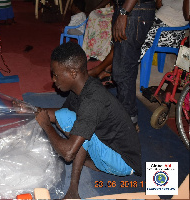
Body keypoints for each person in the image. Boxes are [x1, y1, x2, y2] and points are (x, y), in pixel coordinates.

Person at [35, 42, 142, 199]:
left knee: (74, 129)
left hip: (123, 162)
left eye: (56, 74)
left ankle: (73, 192)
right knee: (69, 117)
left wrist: (45, 125)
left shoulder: (93, 100)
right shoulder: (80, 86)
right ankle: (91, 161)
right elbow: (59, 114)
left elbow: (68, 153)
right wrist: (31, 110)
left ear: (73, 73)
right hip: (110, 148)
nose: (53, 79)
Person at [111, 0, 156, 133]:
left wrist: (124, 12)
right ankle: (127, 116)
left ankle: (128, 122)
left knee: (123, 68)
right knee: (124, 65)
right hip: (131, 9)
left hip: (133, 10)